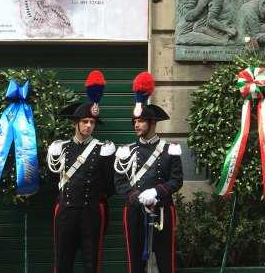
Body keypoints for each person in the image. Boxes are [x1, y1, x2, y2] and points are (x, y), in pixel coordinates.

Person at [47, 70, 116, 273]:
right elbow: (53, 181)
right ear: (75, 123)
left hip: (91, 212)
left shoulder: (103, 149)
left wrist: (94, 199)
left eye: (92, 122)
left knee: (92, 262)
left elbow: (109, 185)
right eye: (85, 122)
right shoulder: (60, 148)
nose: (88, 126)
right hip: (66, 211)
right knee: (62, 262)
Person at [114, 72, 183, 273]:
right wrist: (136, 197)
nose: (136, 124)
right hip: (134, 211)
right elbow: (120, 182)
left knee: (166, 262)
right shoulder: (125, 151)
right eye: (135, 121)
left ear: (152, 123)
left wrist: (156, 192)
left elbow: (177, 180)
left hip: (162, 211)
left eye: (141, 121)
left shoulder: (170, 149)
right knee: (135, 264)